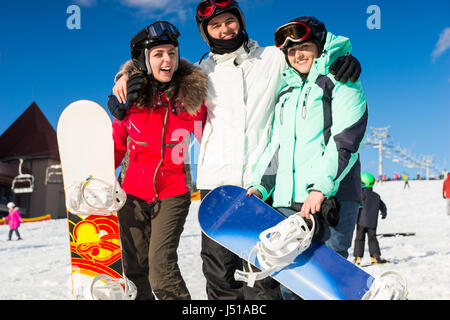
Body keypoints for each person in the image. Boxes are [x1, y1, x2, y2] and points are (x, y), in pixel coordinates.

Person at [112, 1, 362, 300]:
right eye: (214, 25)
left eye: (229, 21)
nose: (224, 29)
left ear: (240, 21)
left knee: (265, 272)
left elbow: (308, 55)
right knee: (219, 272)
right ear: (205, 33)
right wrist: (126, 78)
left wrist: (344, 58)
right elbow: (158, 71)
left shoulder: (272, 57)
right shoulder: (199, 72)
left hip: (263, 182)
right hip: (216, 182)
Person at [248, 16, 367, 267]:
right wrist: (261, 185)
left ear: (320, 47)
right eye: (291, 50)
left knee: (326, 274)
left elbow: (346, 139)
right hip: (288, 202)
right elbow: (277, 146)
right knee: (289, 280)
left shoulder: (340, 79)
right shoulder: (286, 92)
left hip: (331, 196)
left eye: (304, 47)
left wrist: (321, 188)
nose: (297, 55)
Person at [109, 21, 208, 300]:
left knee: (161, 268)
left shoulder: (191, 97)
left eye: (172, 53)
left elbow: (212, 137)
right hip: (131, 193)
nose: (167, 60)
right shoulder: (130, 98)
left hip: (174, 192)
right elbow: (117, 147)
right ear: (144, 59)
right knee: (134, 268)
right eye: (158, 54)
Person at [353, 173, 387, 265]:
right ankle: (375, 256)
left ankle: (358, 257)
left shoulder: (360, 194)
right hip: (372, 222)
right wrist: (384, 213)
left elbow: (355, 205)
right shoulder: (376, 196)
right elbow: (383, 206)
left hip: (361, 221)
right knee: (372, 238)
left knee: (359, 239)